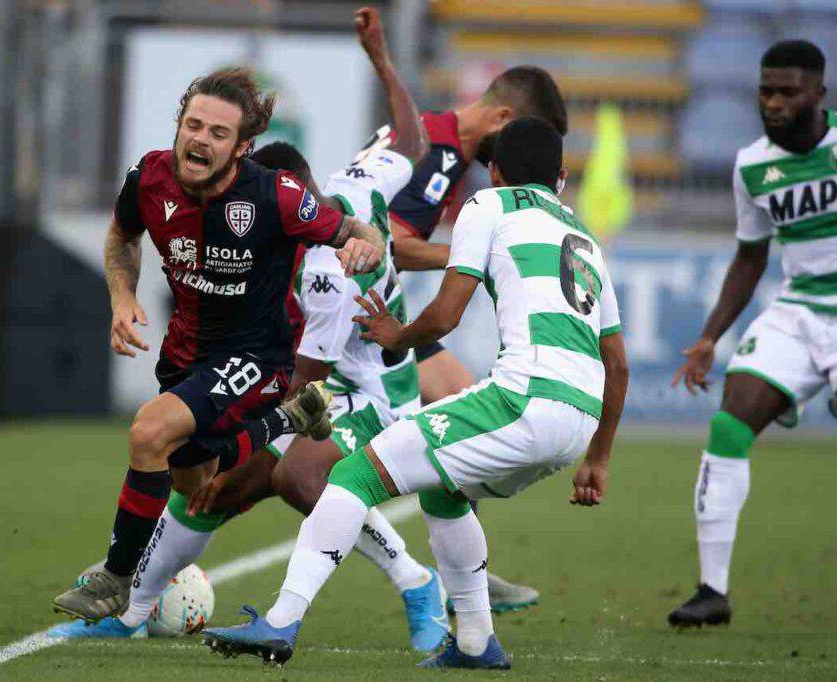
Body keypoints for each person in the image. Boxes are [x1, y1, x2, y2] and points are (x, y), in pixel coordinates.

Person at [201, 117, 629, 670]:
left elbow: (448, 313)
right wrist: (599, 457)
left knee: (352, 475)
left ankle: (280, 621)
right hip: (578, 419)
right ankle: (475, 643)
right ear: (563, 178)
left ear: (493, 171)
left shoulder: (489, 206)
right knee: (443, 490)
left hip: (524, 401)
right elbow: (616, 363)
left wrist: (396, 336)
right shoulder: (585, 239)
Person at [50, 65, 385, 625]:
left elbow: (357, 231)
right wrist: (121, 297)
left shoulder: (276, 196)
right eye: (193, 125)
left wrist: (368, 246)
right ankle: (290, 420)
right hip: (185, 355)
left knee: (148, 431)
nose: (200, 139)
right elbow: (122, 236)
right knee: (194, 480)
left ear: (242, 148)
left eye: (217, 133)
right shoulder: (148, 179)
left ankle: (115, 579)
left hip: (256, 357)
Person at [326, 63, 570, 612]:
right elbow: (398, 243)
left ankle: (467, 577)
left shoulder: (430, 130)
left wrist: (382, 55)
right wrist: (477, 255)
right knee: (298, 461)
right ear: (504, 119)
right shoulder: (442, 157)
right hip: (352, 304)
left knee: (461, 399)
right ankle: (461, 583)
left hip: (366, 294)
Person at [668, 40, 837, 628]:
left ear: (819, 92)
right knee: (728, 424)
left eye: (787, 91)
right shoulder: (752, 165)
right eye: (766, 90)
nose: (773, 101)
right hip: (799, 310)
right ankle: (712, 591)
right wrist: (713, 335)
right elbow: (749, 257)